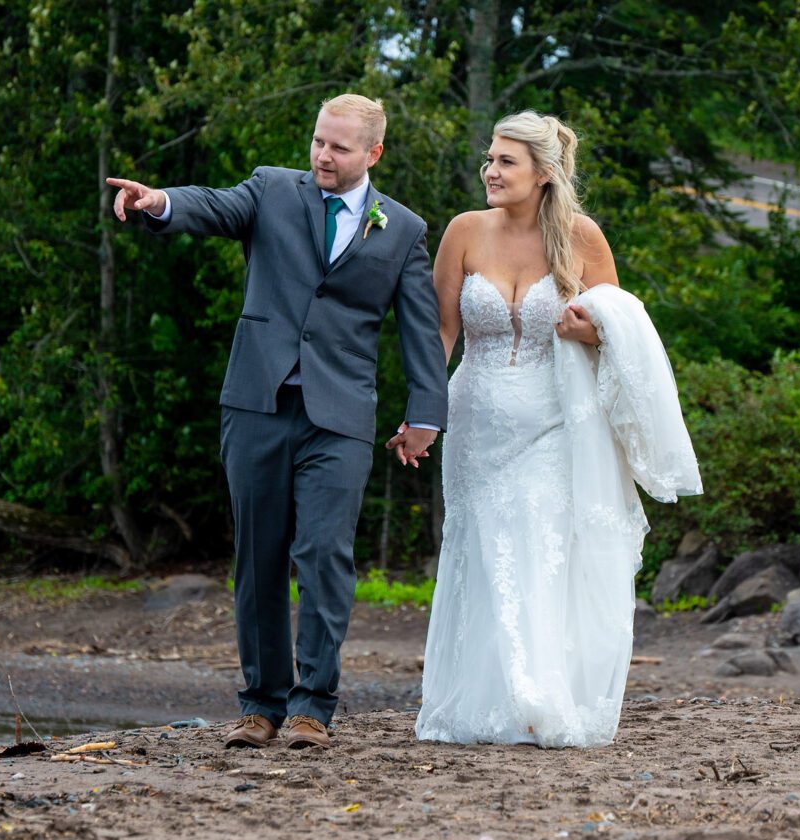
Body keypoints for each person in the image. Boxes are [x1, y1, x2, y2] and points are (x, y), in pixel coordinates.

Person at [109, 94, 448, 749]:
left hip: (341, 415)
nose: (323, 155)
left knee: (324, 556)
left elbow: (420, 332)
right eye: (319, 142)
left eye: (340, 147)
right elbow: (213, 204)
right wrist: (161, 202)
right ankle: (260, 703)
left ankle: (312, 708)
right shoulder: (270, 189)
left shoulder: (401, 229)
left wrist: (426, 414)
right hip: (256, 403)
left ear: (372, 153)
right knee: (258, 557)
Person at [412, 111, 702, 748]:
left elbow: (620, 327)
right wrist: (422, 413)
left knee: (536, 542)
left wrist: (586, 330)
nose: (491, 171)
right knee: (482, 550)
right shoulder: (463, 232)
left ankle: (536, 696)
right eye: (489, 159)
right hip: (475, 421)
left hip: (552, 421)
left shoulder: (581, 237)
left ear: (543, 174)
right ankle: (479, 701)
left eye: (506, 162)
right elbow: (441, 333)